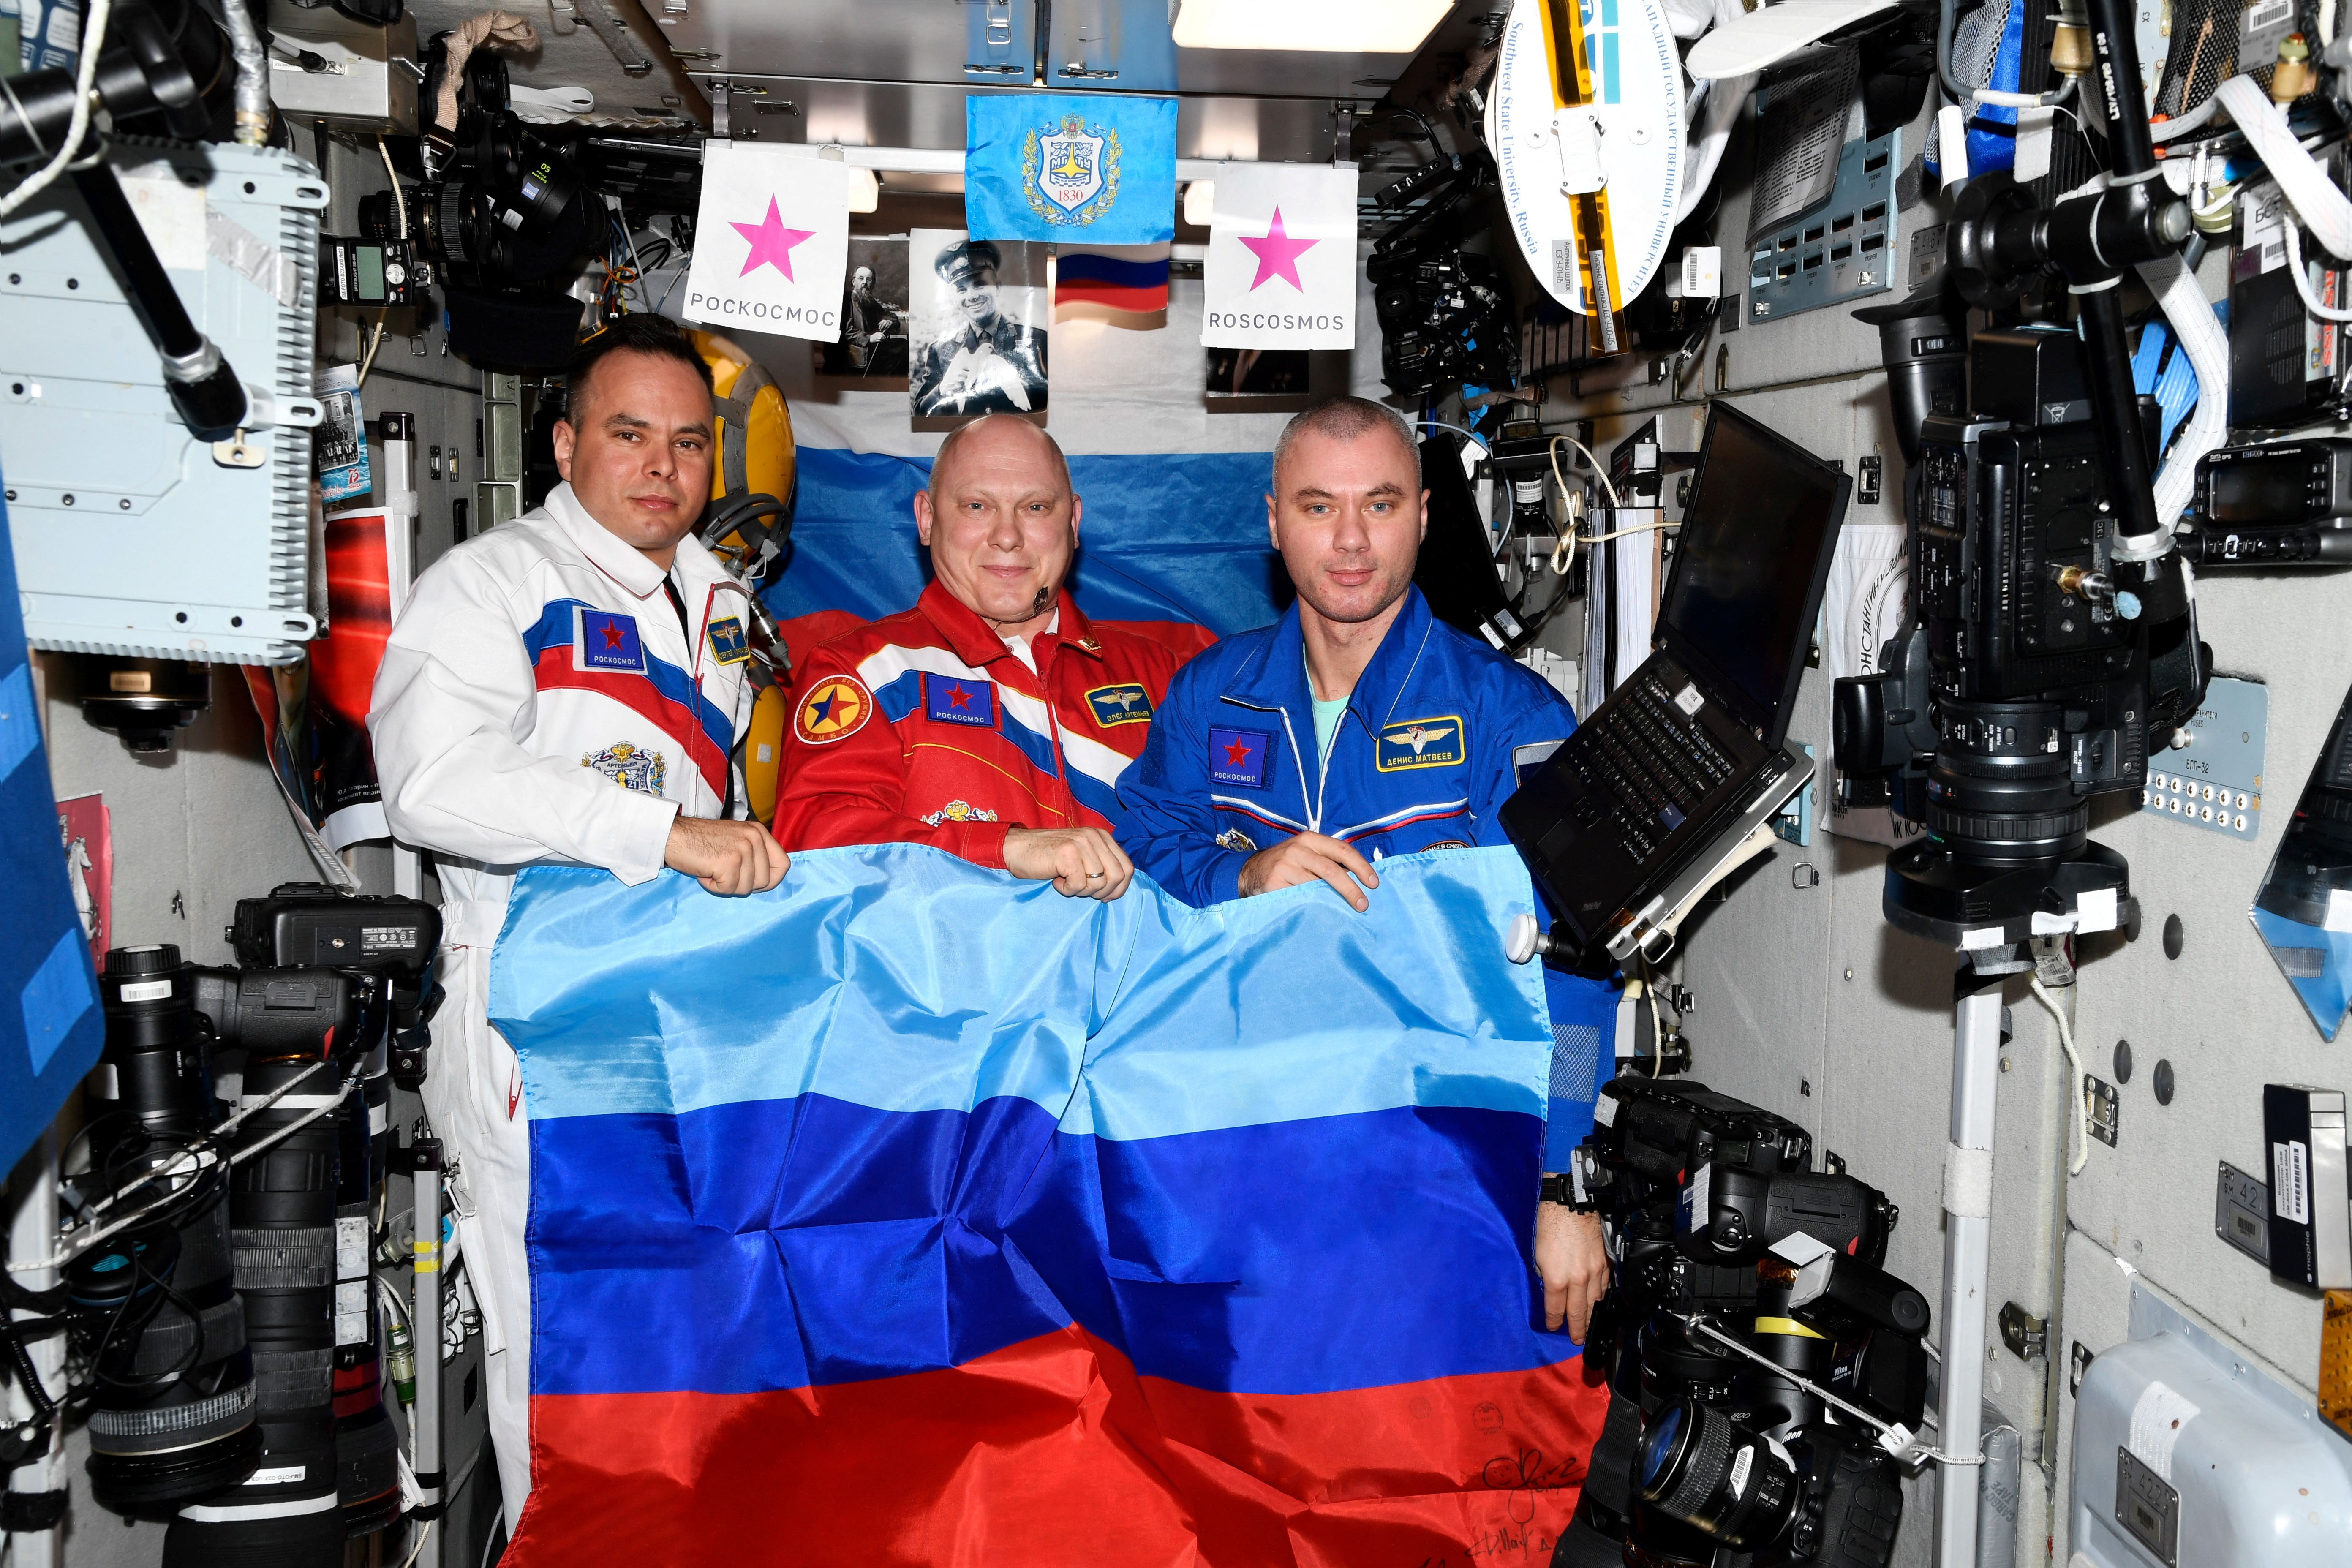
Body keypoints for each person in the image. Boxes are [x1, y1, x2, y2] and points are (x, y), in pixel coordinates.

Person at [368, 313, 789, 1529]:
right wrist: (657, 836)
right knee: (561, 1371)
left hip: (677, 1032)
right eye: (629, 434)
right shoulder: (494, 587)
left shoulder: (716, 599)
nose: (664, 466)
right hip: (533, 1033)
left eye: (691, 443)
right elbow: (431, 785)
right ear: (563, 446)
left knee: (679, 1364)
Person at [1115, 396, 1615, 1341]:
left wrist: (1564, 1177)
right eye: (1317, 506)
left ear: (1424, 516)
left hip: (1439, 1166)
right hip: (1238, 1149)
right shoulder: (1209, 694)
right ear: (1273, 522)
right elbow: (1142, 853)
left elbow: (1578, 964)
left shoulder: (1514, 718)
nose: (1350, 541)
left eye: (1380, 505)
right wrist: (1244, 878)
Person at [770, 414, 1209, 898]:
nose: (1007, 535)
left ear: (1074, 522)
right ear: (927, 518)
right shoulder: (862, 671)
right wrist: (1006, 849)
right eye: (977, 506)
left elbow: (1223, 839)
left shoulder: (1166, 674)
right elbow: (820, 848)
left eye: (1036, 507)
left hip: (1145, 971)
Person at [912, 239, 1048, 416]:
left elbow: (1052, 404)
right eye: (962, 290)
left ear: (998, 287)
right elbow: (920, 413)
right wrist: (943, 389)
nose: (972, 296)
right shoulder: (941, 350)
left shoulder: (1036, 338)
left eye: (979, 285)